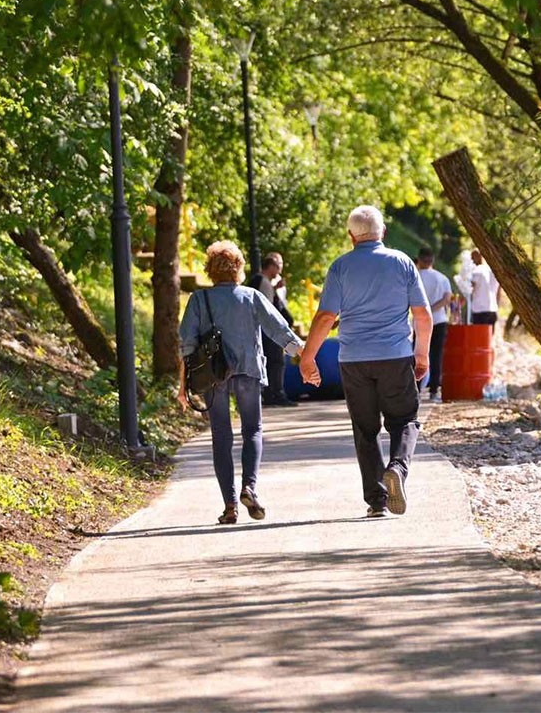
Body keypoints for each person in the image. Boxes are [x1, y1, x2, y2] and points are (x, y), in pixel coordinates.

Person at [299, 206, 432, 518]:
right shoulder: (402, 263)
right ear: (382, 232)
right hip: (395, 355)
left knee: (365, 428)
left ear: (350, 236)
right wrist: (422, 353)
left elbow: (326, 317)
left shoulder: (340, 267)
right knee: (404, 420)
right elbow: (423, 315)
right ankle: (397, 468)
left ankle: (377, 501)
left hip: (354, 359)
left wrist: (308, 358)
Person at [179, 241, 303, 525]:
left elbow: (186, 345)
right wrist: (304, 355)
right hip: (248, 370)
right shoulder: (251, 296)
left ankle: (230, 506)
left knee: (221, 437)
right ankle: (249, 486)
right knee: (252, 430)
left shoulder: (199, 299)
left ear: (210, 270)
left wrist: (182, 386)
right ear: (238, 268)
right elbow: (278, 329)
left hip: (213, 375)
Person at [247, 252, 297, 407]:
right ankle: (276, 395)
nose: (280, 269)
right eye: (279, 265)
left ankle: (271, 395)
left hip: (262, 329)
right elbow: (267, 309)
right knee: (276, 362)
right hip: (267, 330)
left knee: (271, 362)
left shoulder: (262, 282)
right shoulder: (264, 282)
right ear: (272, 266)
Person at [415, 247, 452, 402]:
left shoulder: (414, 277)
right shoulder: (442, 278)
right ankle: (434, 391)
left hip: (419, 321)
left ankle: (415, 390)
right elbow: (447, 298)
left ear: (419, 260)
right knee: (436, 356)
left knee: (417, 355)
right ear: (432, 260)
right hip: (439, 320)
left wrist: (423, 310)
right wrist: (432, 309)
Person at [469, 248, 500, 328]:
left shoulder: (476, 271)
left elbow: (470, 288)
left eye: (472, 258)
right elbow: (498, 291)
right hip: (492, 309)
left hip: (479, 311)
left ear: (478, 256)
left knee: (479, 338)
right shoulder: (493, 271)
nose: (472, 261)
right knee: (488, 339)